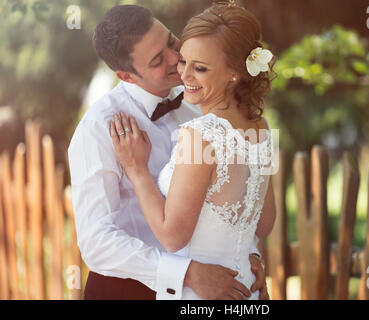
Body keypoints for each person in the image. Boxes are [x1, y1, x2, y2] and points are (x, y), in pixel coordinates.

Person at [68, 4, 268, 300]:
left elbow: (234, 198)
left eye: (172, 41)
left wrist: (246, 258)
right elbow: (96, 242)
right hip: (127, 291)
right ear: (127, 76)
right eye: (158, 59)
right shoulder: (99, 128)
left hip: (212, 288)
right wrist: (185, 272)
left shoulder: (199, 101)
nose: (177, 58)